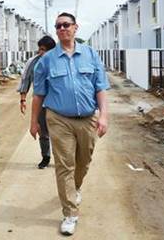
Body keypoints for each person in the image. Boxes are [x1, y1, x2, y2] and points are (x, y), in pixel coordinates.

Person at [30, 12, 110, 236]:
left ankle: (75, 189)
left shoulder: (91, 55)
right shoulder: (46, 60)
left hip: (87, 118)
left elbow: (100, 87)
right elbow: (38, 94)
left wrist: (103, 116)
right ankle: (70, 214)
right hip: (58, 119)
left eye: (66, 25)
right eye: (58, 26)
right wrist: (34, 121)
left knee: (83, 162)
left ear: (76, 27)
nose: (62, 28)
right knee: (64, 165)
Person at [17, 35, 56, 169]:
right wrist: (23, 99)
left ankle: (63, 157)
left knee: (60, 131)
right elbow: (25, 80)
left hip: (57, 103)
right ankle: (45, 157)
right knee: (42, 131)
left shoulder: (59, 61)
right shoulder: (33, 62)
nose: (40, 52)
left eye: (43, 49)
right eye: (39, 49)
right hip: (40, 101)